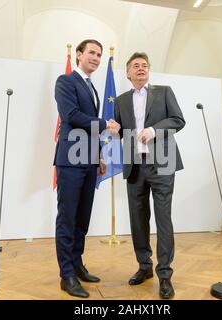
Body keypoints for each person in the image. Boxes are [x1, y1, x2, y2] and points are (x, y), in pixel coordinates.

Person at [114, 52, 185, 299]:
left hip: (162, 164)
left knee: (163, 219)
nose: (141, 68)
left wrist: (155, 130)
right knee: (138, 219)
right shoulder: (121, 100)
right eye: (136, 66)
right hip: (135, 166)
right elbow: (119, 130)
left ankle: (164, 275)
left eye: (145, 65)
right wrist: (112, 130)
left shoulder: (164, 92)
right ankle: (144, 267)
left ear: (149, 71)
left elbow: (178, 120)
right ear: (128, 73)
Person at [54, 39, 120, 298]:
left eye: (99, 54)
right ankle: (66, 275)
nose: (96, 57)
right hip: (70, 159)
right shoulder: (66, 81)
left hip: (89, 160)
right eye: (91, 52)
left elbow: (89, 129)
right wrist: (106, 123)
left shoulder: (91, 87)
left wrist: (99, 156)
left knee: (82, 218)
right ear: (79, 54)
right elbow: (71, 116)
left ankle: (77, 264)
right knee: (67, 218)